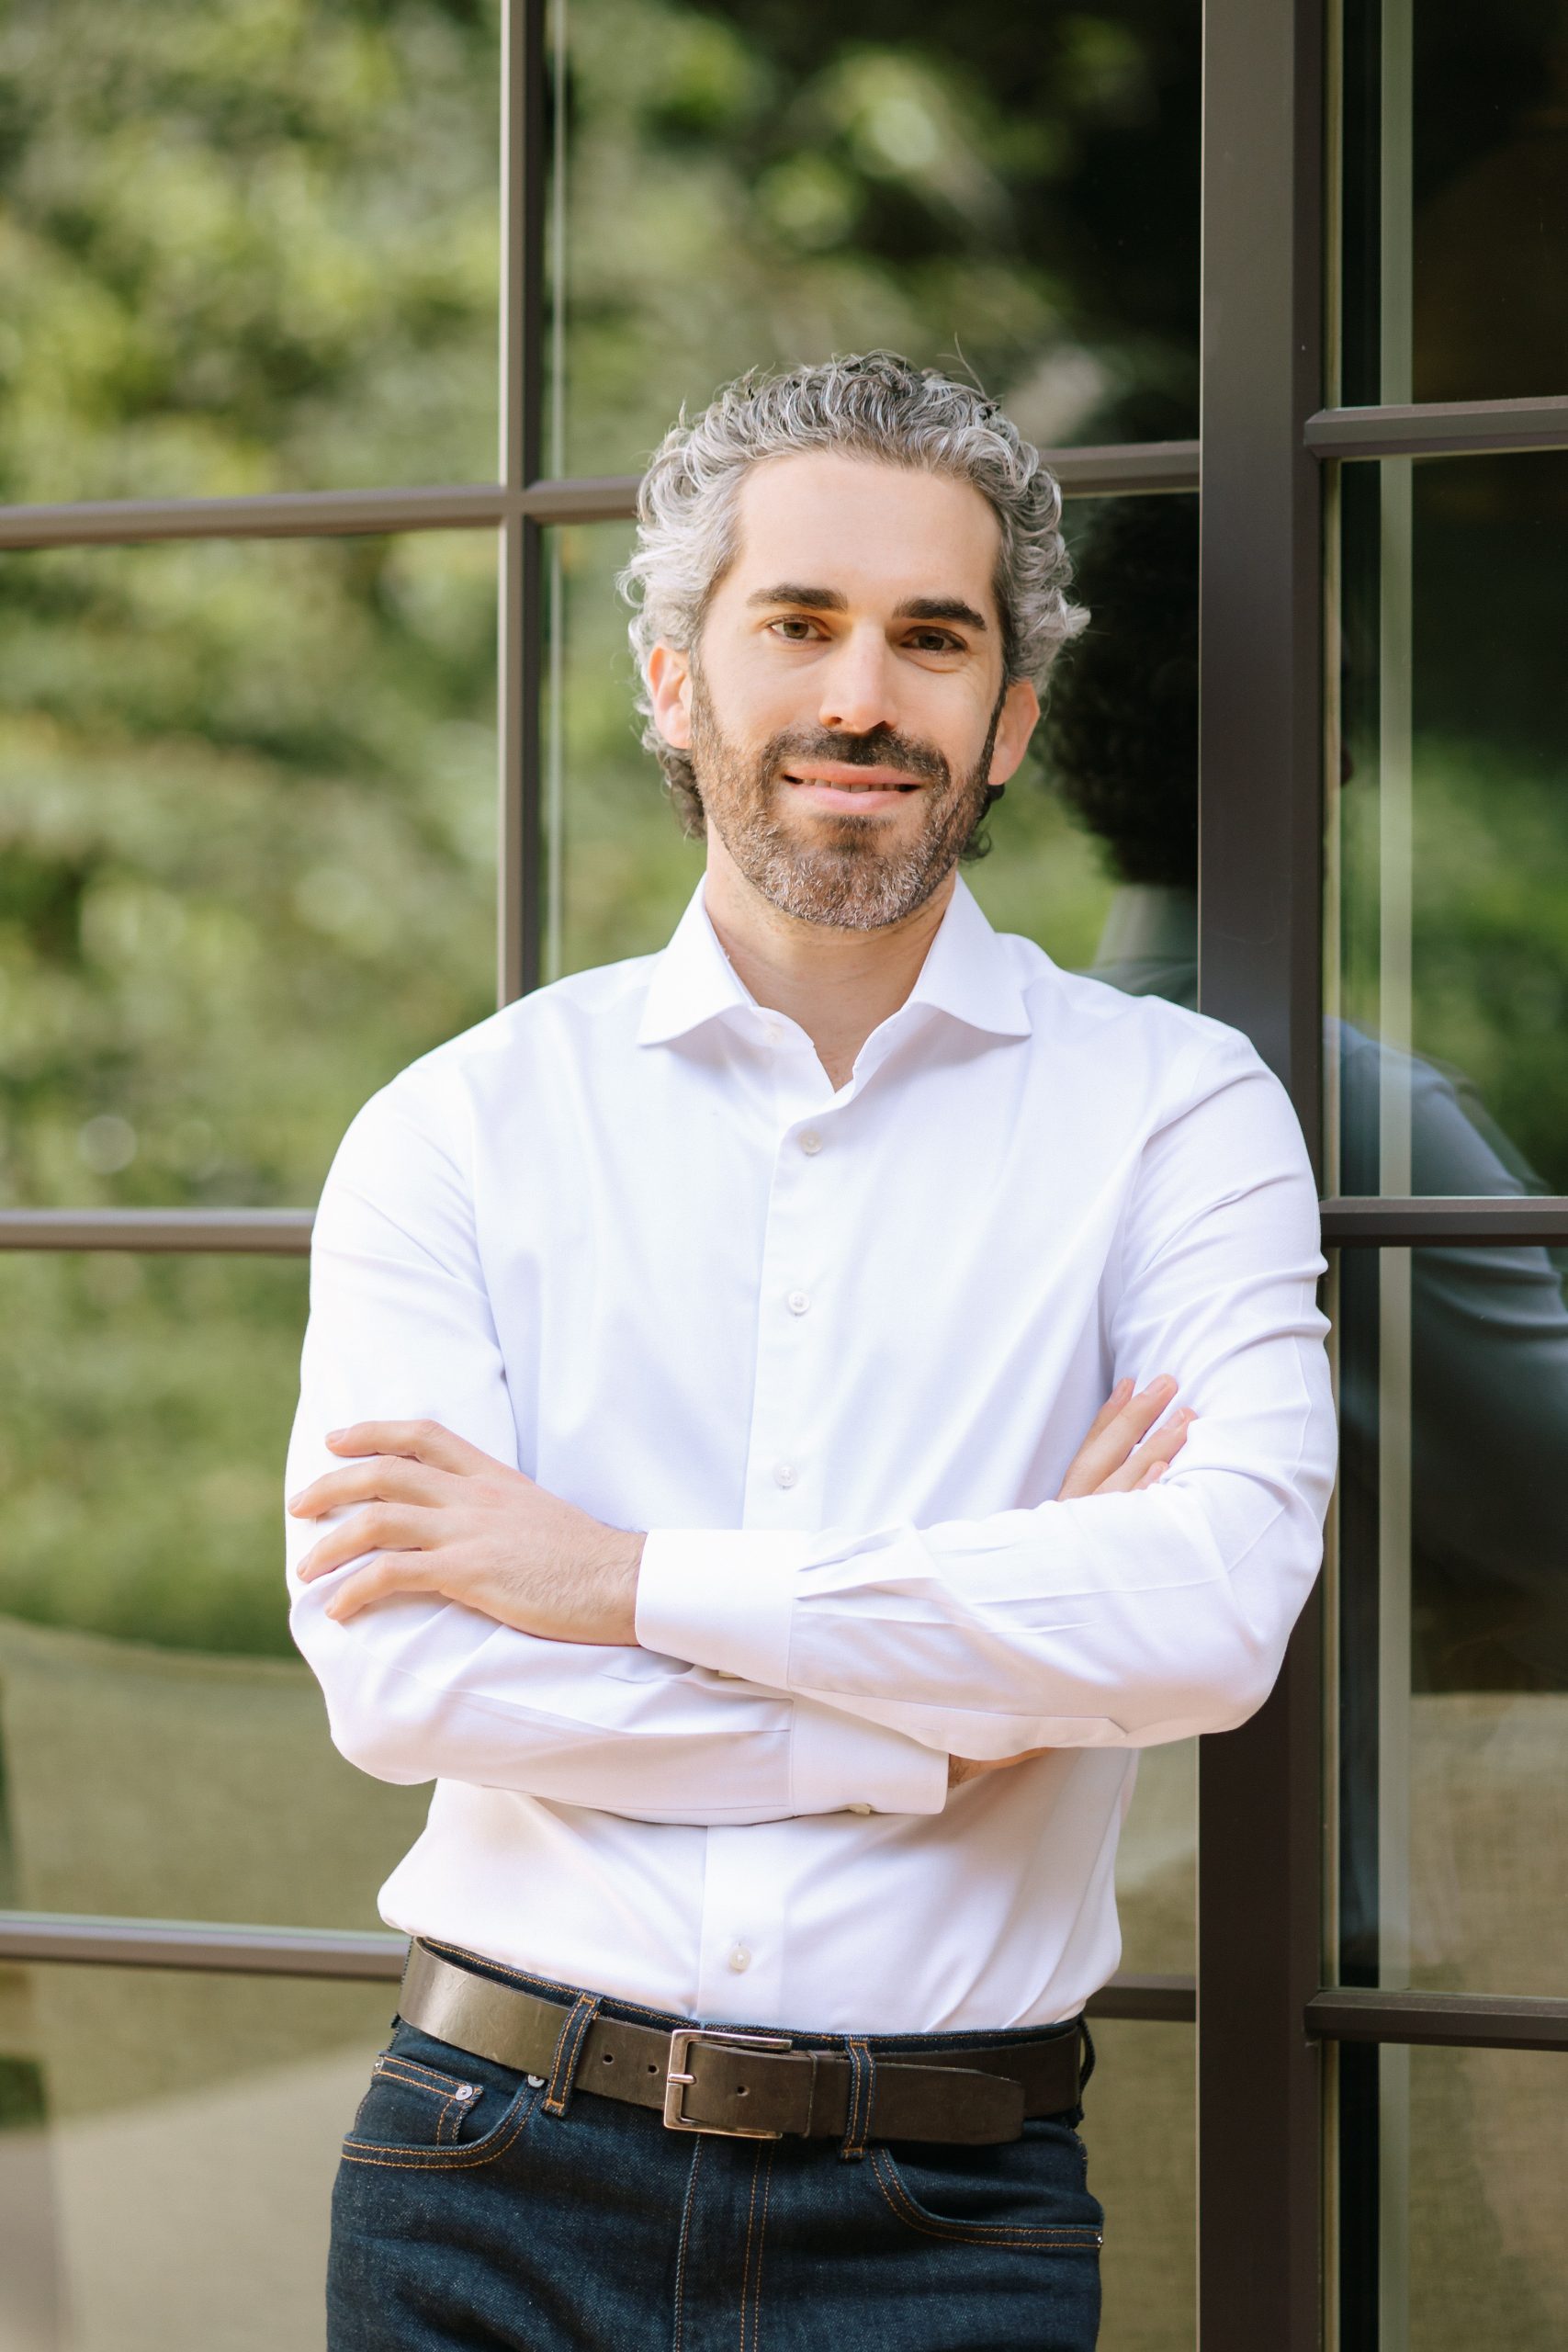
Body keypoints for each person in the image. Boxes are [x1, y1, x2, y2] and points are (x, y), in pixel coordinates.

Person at [284, 353, 1336, 2352]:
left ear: (1007, 718)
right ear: (677, 682)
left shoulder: (1175, 1118)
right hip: (483, 2181)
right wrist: (951, 1701)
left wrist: (609, 1581)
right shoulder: (458, 1126)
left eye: (929, 638)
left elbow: (1200, 1615)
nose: (861, 695)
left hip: (944, 2211)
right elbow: (403, 1667)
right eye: (797, 623)